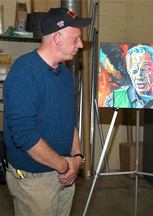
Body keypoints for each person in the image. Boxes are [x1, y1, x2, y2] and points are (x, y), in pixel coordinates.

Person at [3, 8, 91, 215]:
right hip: (36, 181)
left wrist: (77, 157)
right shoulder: (24, 72)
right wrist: (64, 166)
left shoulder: (65, 75)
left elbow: (70, 122)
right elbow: (25, 135)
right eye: (76, 38)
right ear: (57, 36)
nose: (80, 44)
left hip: (64, 174)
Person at [104, 45, 153, 109]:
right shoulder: (114, 100)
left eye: (145, 70)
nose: (139, 76)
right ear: (129, 72)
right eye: (134, 71)